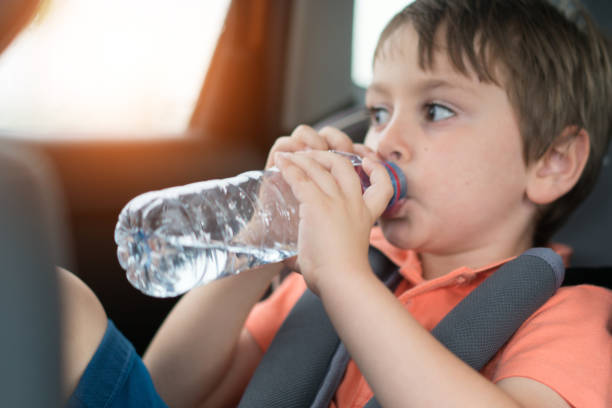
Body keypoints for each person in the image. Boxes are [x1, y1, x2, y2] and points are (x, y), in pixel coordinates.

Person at [44, 0, 612, 407]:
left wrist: (344, 280)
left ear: (552, 162)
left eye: (437, 110)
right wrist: (261, 248)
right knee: (57, 303)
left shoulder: (568, 319)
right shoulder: (344, 269)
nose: (382, 140)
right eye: (380, 111)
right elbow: (167, 387)